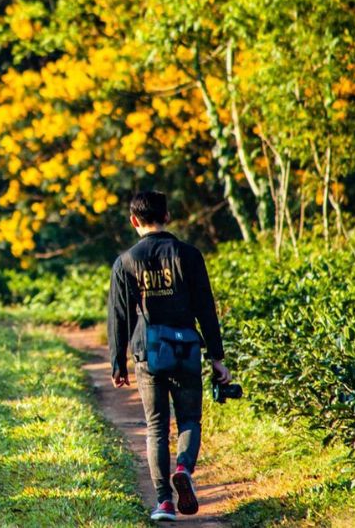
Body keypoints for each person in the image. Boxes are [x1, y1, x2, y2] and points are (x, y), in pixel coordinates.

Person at [107, 191, 232, 522]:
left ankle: (164, 502)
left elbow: (120, 316)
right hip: (187, 348)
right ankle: (184, 468)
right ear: (168, 216)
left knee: (156, 426)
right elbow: (206, 307)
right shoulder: (189, 255)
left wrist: (118, 363)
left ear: (134, 221)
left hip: (148, 354)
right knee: (190, 419)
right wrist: (217, 357)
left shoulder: (125, 261)